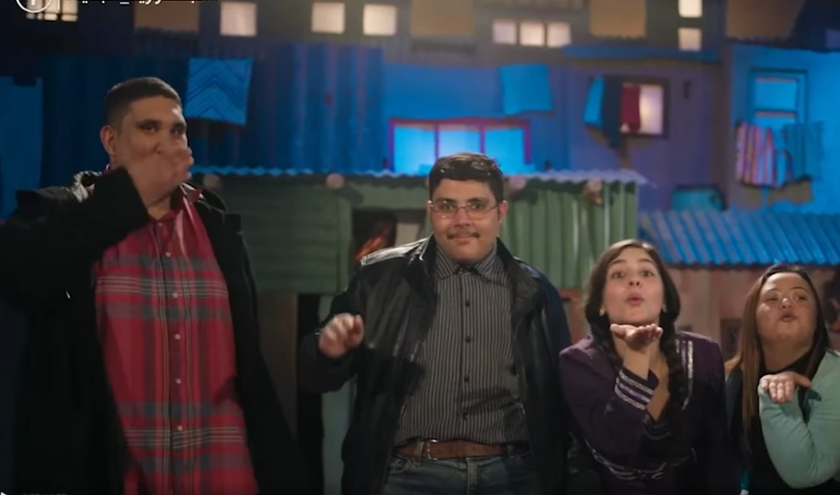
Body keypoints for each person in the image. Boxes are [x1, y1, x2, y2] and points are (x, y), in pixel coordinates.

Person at [0, 77, 304, 494]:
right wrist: (130, 195)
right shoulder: (65, 214)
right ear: (111, 141)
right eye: (149, 128)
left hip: (220, 471)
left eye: (176, 130)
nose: (166, 142)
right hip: (112, 473)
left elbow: (249, 363)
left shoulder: (215, 225)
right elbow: (19, 273)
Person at [298, 152, 573, 495]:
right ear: (431, 211)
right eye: (447, 206)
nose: (461, 219)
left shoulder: (536, 290)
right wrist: (328, 351)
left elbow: (560, 396)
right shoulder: (378, 279)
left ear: (500, 212)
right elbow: (314, 377)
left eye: (476, 205)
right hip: (405, 477)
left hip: (514, 476)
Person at [558, 239, 738, 495]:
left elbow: (717, 454)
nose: (634, 281)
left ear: (664, 299)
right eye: (619, 275)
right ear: (600, 303)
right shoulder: (578, 362)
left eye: (646, 273)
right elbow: (617, 445)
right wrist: (637, 357)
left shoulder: (703, 354)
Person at [725, 264, 840, 495]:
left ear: (816, 317)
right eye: (772, 298)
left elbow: (805, 473)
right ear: (753, 319)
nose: (786, 303)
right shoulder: (736, 378)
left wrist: (778, 400)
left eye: (800, 297)